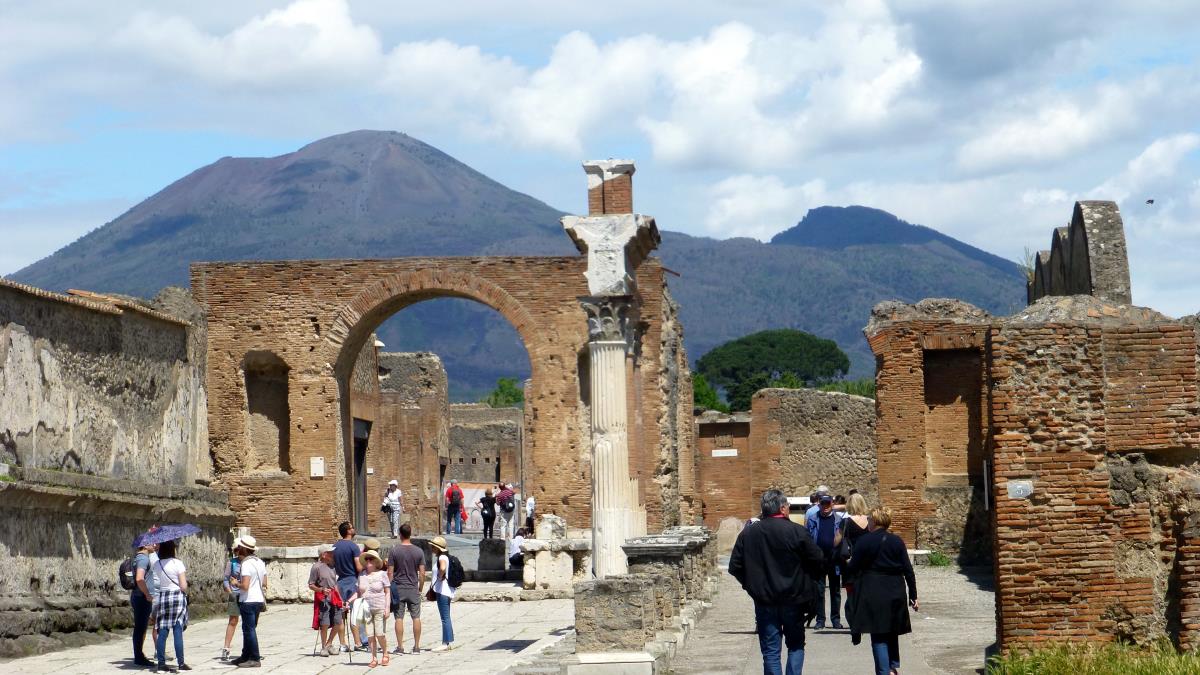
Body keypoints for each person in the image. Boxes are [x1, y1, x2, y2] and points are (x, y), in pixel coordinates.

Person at [729, 489, 825, 675]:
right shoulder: (797, 531)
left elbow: (735, 566)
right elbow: (818, 560)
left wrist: (751, 585)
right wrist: (806, 580)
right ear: (782, 508)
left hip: (765, 599)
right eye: (788, 506)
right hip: (794, 598)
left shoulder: (749, 533)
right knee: (796, 645)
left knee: (771, 651)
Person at [847, 508, 918, 675]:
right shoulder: (897, 541)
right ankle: (892, 667)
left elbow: (852, 568)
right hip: (895, 590)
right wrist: (913, 596)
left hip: (873, 591)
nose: (868, 522)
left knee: (878, 635)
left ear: (875, 521)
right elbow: (908, 570)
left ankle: (884, 671)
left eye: (870, 519)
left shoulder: (863, 541)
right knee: (891, 630)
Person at [806, 494, 846, 630]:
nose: (825, 506)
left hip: (834, 559)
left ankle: (835, 620)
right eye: (823, 504)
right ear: (819, 504)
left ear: (832, 504)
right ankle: (820, 620)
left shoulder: (839, 520)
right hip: (819, 560)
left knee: (835, 590)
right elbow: (808, 538)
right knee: (819, 590)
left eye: (828, 504)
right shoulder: (812, 519)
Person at [835, 493, 871, 643]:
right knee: (867, 594)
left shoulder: (846, 522)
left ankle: (855, 624)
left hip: (851, 563)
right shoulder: (870, 521)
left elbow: (836, 542)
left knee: (851, 596)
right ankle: (866, 623)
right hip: (868, 563)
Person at [388, 522, 426, 655]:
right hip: (413, 587)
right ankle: (416, 647)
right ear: (410, 534)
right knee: (416, 617)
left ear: (400, 535)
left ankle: (400, 647)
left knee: (399, 617)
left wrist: (389, 588)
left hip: (398, 588)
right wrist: (420, 588)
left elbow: (390, 573)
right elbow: (422, 573)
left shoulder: (394, 550)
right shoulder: (419, 551)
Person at [152, 539, 189, 673]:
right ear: (172, 549)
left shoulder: (157, 564)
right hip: (177, 596)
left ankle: (161, 665)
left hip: (163, 597)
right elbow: (183, 585)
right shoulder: (177, 563)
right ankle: (181, 663)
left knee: (163, 631)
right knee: (177, 629)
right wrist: (185, 589)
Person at [233, 536, 268, 669]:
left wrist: (236, 582)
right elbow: (265, 583)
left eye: (240, 547)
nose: (238, 549)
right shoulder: (260, 562)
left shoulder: (246, 564)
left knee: (249, 630)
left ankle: (254, 657)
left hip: (248, 600)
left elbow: (245, 586)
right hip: (258, 599)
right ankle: (245, 655)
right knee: (248, 629)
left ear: (244, 549)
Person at [332, 521, 366, 652]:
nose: (354, 528)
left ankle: (342, 644)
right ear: (348, 531)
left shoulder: (335, 547)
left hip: (339, 582)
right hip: (352, 581)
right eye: (352, 527)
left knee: (341, 615)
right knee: (354, 613)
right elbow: (358, 566)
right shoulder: (353, 547)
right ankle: (357, 642)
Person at [308, 544, 344, 657]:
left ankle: (329, 643)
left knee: (338, 621)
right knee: (324, 623)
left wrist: (341, 598)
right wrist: (321, 590)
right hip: (323, 598)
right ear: (324, 555)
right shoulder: (316, 567)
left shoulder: (332, 566)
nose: (333, 554)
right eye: (330, 553)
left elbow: (335, 583)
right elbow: (311, 584)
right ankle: (324, 647)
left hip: (334, 597)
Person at [359, 550, 392, 667]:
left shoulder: (382, 574)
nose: (368, 561)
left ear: (376, 562)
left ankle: (385, 653)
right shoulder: (362, 574)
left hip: (379, 607)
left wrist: (387, 607)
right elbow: (358, 592)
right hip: (366, 609)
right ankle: (373, 658)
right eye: (366, 559)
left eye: (371, 559)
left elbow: (387, 592)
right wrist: (347, 602)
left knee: (379, 634)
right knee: (370, 635)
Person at [130, 542, 156, 667]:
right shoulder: (143, 559)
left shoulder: (138, 557)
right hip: (142, 598)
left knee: (140, 627)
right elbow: (140, 578)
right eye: (152, 543)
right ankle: (139, 657)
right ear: (145, 545)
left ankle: (139, 655)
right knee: (140, 628)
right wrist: (147, 594)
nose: (155, 545)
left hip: (138, 596)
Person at [429, 536, 456, 652]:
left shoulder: (442, 557)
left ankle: (446, 643)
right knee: (446, 617)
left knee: (444, 617)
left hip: (443, 591)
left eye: (433, 546)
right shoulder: (443, 556)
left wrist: (440, 576)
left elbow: (443, 568)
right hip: (444, 590)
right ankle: (447, 641)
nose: (431, 548)